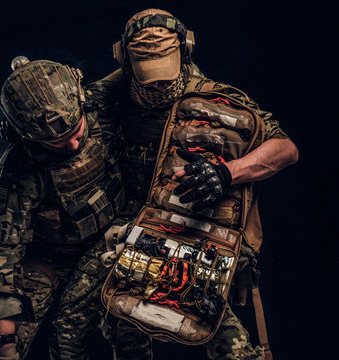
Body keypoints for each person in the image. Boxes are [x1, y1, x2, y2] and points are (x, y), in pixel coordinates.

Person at [80, 8, 299, 360]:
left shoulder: (215, 101)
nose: (159, 85)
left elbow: (286, 150)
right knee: (122, 320)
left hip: (196, 231)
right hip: (131, 231)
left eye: (166, 73)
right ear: (124, 60)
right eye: (146, 76)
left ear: (186, 51)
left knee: (214, 326)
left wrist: (227, 172)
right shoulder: (105, 97)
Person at [0, 57, 152, 360]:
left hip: (112, 237)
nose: (72, 146)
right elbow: (0, 254)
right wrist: (4, 343)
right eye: (57, 142)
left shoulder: (96, 103)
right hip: (48, 258)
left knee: (72, 338)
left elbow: (144, 67)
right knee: (2, 346)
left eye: (78, 133)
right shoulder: (17, 172)